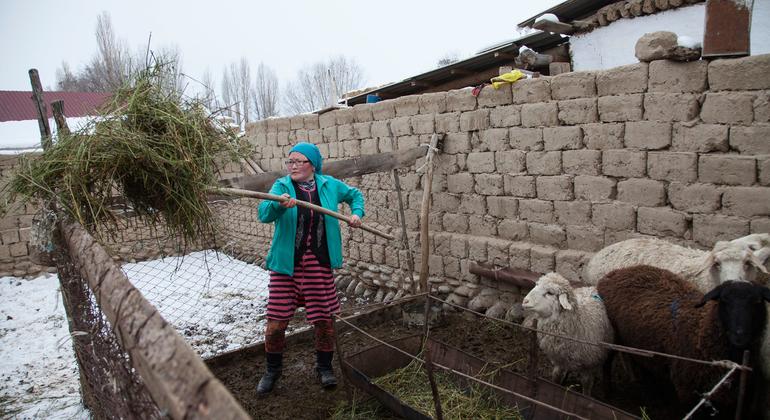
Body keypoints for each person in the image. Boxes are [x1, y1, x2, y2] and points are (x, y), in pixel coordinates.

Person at [256, 142, 364, 394]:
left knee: (324, 321)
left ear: (312, 165)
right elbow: (264, 214)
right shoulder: (282, 187)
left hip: (318, 263)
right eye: (289, 161)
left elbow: (354, 195)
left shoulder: (329, 185)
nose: (292, 166)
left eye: (298, 161)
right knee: (276, 322)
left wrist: (356, 214)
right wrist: (277, 205)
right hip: (286, 266)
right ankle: (272, 371)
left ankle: (324, 368)